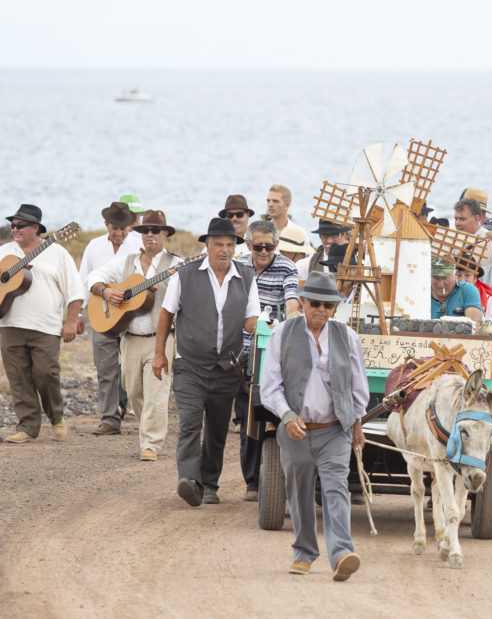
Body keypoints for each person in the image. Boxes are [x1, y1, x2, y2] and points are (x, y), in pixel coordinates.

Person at [259, 271, 368, 581]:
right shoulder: (282, 333)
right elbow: (270, 386)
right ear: (303, 303)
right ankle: (304, 553)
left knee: (337, 489)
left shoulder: (347, 336)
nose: (321, 310)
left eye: (328, 306)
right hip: (296, 429)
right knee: (299, 492)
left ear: (334, 309)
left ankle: (342, 553)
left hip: (335, 429)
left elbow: (357, 385)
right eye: (315, 304)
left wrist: (355, 421)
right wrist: (287, 416)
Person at [154, 217, 260, 506]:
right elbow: (166, 314)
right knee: (190, 421)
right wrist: (159, 353)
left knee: (216, 428)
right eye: (218, 245)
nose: (224, 250)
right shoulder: (185, 274)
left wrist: (264, 326)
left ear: (236, 247)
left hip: (228, 366)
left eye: (229, 245)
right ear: (207, 246)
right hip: (190, 363)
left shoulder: (247, 277)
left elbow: (252, 318)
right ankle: (189, 479)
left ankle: (210, 484)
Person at [0, 204, 84, 444]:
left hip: (45, 327)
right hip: (9, 324)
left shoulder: (58, 253)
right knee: (18, 377)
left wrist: (71, 321)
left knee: (46, 373)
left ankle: (56, 417)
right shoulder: (2, 252)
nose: (15, 229)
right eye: (13, 225)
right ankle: (27, 427)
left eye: (21, 225)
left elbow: (75, 292)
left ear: (36, 228)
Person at [86, 210, 181, 460]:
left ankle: (150, 444)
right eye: (145, 231)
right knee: (134, 391)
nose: (150, 236)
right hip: (130, 339)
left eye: (156, 231)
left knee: (156, 393)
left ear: (165, 235)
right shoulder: (127, 263)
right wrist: (106, 293)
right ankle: (147, 430)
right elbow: (94, 277)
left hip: (161, 339)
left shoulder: (176, 265)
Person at [233, 220, 301, 500]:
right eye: (258, 246)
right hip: (239, 351)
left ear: (276, 246)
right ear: (248, 245)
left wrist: (293, 320)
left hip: (270, 351)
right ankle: (251, 481)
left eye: (269, 247)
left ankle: (276, 478)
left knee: (269, 412)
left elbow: (292, 300)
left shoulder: (287, 267)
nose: (263, 251)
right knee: (245, 416)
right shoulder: (238, 265)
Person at [79, 201, 141, 435]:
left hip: (132, 315)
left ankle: (126, 406)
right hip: (100, 314)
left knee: (129, 370)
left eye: (123, 228)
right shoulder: (94, 247)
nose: (118, 233)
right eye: (114, 228)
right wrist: (80, 314)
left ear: (129, 226)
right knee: (105, 368)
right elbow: (84, 279)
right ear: (106, 225)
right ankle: (109, 419)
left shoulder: (138, 246)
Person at [430, 257, 483, 322]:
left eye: (445, 278)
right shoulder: (422, 292)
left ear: (455, 276)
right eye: (436, 278)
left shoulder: (467, 290)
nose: (441, 284)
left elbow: (474, 324)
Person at [455, 251, 492, 321]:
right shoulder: (444, 296)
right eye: (458, 275)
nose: (462, 280)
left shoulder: (490, 301)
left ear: (475, 279)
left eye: (467, 275)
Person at [219, 194, 255, 263]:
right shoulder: (214, 244)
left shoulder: (257, 241)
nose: (234, 219)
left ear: (248, 215)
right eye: (230, 215)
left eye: (239, 215)